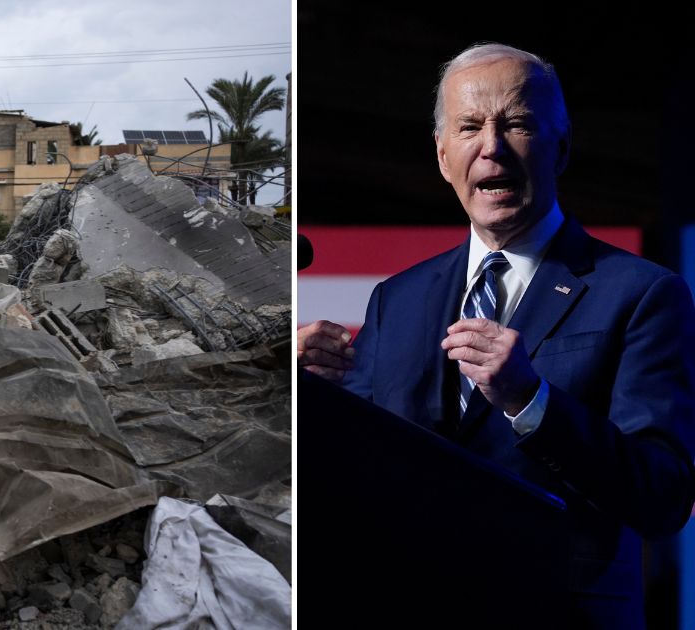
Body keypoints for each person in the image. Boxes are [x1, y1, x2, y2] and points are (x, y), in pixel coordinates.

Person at [298, 43, 695, 628]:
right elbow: (356, 474)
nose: (491, 146)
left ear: (560, 149)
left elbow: (663, 498)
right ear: (442, 154)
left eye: (517, 124)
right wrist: (308, 398)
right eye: (469, 127)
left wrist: (530, 402)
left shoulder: (643, 292)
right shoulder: (396, 298)